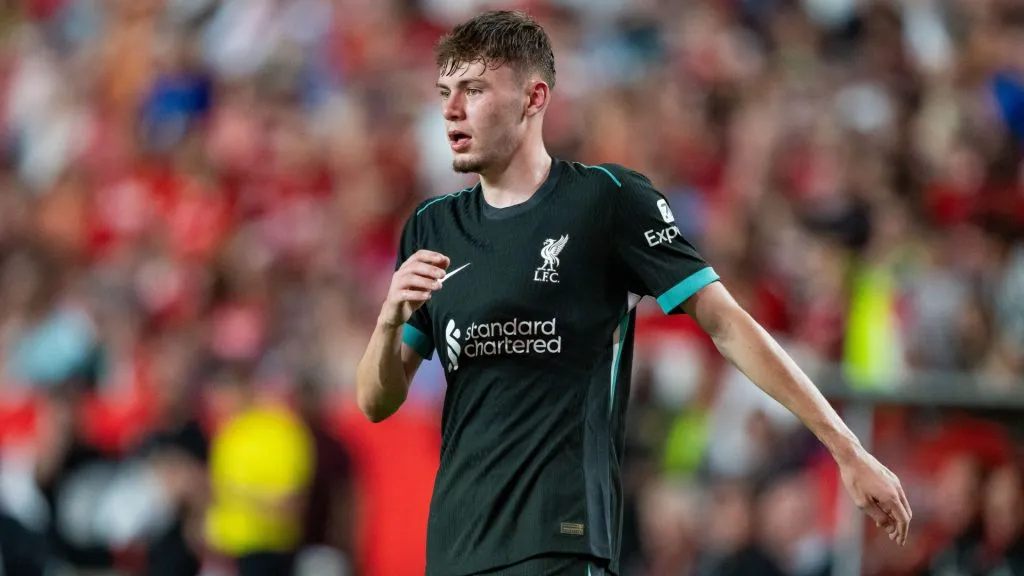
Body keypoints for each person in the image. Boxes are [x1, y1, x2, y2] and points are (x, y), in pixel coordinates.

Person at [355, 10, 912, 576]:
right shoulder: (431, 226)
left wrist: (847, 449)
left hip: (561, 540)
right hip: (454, 547)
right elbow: (377, 402)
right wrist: (386, 320)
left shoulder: (607, 201)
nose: (450, 109)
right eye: (445, 91)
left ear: (534, 97)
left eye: (474, 89)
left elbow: (726, 323)